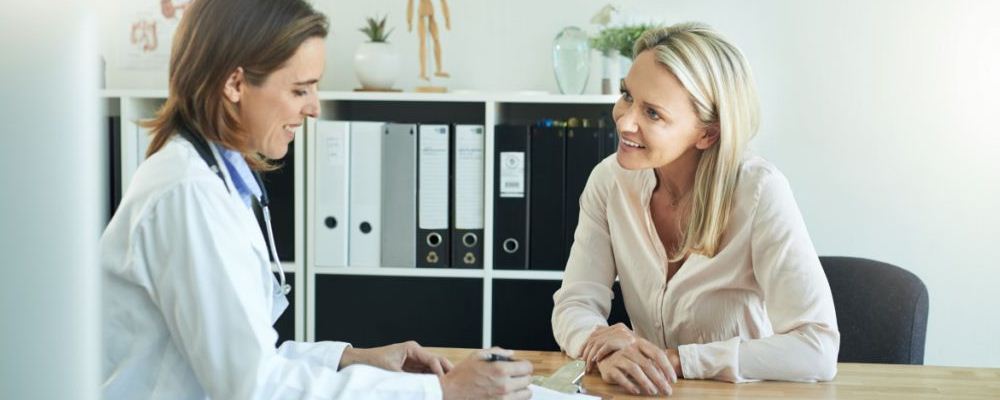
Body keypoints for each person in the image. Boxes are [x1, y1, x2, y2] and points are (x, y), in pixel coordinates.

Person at [100, 0, 532, 398]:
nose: (315, 108)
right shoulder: (188, 194)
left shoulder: (213, 177)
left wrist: (352, 358)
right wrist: (442, 392)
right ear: (234, 83)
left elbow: (245, 357)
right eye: (300, 89)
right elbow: (255, 387)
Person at [551, 22, 840, 396]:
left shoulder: (760, 192)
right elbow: (575, 302)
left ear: (707, 133)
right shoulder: (609, 181)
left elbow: (816, 348)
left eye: (652, 113)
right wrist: (602, 346)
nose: (624, 120)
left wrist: (678, 360)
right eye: (626, 95)